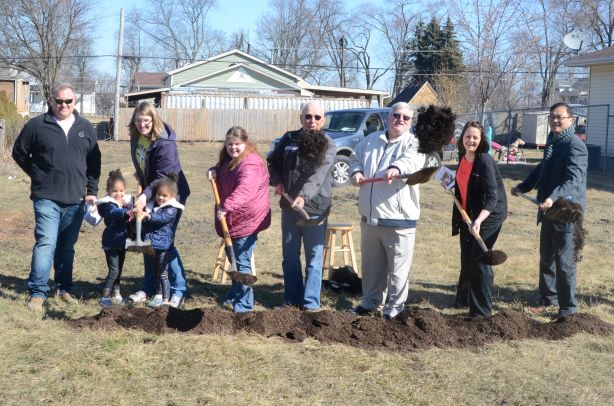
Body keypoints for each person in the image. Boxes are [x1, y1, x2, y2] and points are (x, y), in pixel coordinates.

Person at [12, 83, 101, 311]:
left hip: (75, 198)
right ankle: (38, 293)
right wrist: (37, 173)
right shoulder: (36, 125)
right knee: (46, 243)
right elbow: (19, 152)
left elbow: (94, 162)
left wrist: (91, 191)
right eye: (59, 101)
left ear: (75, 102)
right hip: (46, 197)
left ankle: (64, 288)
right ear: (51, 101)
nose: (63, 105)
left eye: (68, 101)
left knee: (67, 247)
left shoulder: (86, 128)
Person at [348, 102, 426, 320]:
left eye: (405, 117)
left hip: (398, 221)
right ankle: (370, 303)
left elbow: (414, 161)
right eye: (395, 115)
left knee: (397, 272)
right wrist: (356, 171)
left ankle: (393, 309)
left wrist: (396, 168)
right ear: (388, 117)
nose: (399, 119)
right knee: (371, 267)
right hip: (370, 218)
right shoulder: (371, 140)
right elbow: (355, 157)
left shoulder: (415, 143)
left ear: (411, 122)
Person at [512, 102, 587, 318]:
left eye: (560, 117)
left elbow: (573, 180)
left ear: (570, 120)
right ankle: (548, 298)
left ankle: (568, 309)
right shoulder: (554, 141)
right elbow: (542, 169)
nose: (555, 120)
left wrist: (553, 198)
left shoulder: (575, 146)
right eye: (552, 116)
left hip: (566, 211)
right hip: (548, 210)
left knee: (565, 261)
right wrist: (523, 186)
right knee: (546, 256)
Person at [267, 101, 336, 311]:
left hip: (315, 210)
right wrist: (277, 180)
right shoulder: (288, 139)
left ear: (323, 120)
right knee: (290, 256)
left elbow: (319, 174)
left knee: (314, 258)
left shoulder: (329, 144)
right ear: (301, 119)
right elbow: (272, 163)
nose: (312, 121)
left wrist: (304, 196)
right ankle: (292, 301)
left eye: (317, 117)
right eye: (308, 116)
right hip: (289, 208)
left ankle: (311, 304)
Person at [128, 101, 190, 308]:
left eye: (146, 121)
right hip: (150, 192)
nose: (142, 125)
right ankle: (151, 287)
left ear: (154, 120)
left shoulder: (165, 143)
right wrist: (142, 174)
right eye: (138, 121)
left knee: (164, 242)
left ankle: (178, 289)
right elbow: (147, 164)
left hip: (168, 194)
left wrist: (146, 195)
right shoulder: (138, 138)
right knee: (148, 242)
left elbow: (165, 176)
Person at [208, 126, 271, 312]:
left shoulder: (251, 163)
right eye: (229, 144)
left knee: (241, 259)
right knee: (233, 257)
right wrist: (214, 170)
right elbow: (222, 170)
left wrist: (226, 206)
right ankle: (236, 294)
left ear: (246, 143)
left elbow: (246, 190)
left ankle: (244, 304)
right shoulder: (230, 159)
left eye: (237, 144)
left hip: (248, 218)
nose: (233, 148)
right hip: (235, 217)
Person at [452, 121, 507, 317]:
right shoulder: (463, 158)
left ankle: (481, 310)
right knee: (467, 255)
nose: (471, 140)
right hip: (469, 214)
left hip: (489, 215)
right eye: (468, 136)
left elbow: (492, 196)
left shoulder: (484, 160)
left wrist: (479, 221)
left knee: (480, 259)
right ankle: (463, 299)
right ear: (462, 138)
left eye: (475, 137)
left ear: (482, 140)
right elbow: (462, 184)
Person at [141, 174, 185, 308]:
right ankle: (159, 295)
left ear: (172, 196)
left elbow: (161, 219)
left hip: (164, 247)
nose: (160, 198)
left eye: (164, 196)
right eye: (159, 194)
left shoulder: (172, 209)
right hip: (154, 246)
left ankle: (166, 300)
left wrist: (148, 215)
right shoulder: (154, 207)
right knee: (157, 273)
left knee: (163, 274)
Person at [96, 169, 132, 308]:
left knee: (119, 269)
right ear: (108, 190)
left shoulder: (124, 202)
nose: (118, 194)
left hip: (122, 241)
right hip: (110, 241)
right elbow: (113, 212)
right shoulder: (106, 204)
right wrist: (126, 212)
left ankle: (116, 294)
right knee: (114, 270)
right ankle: (104, 297)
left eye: (121, 190)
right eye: (115, 191)